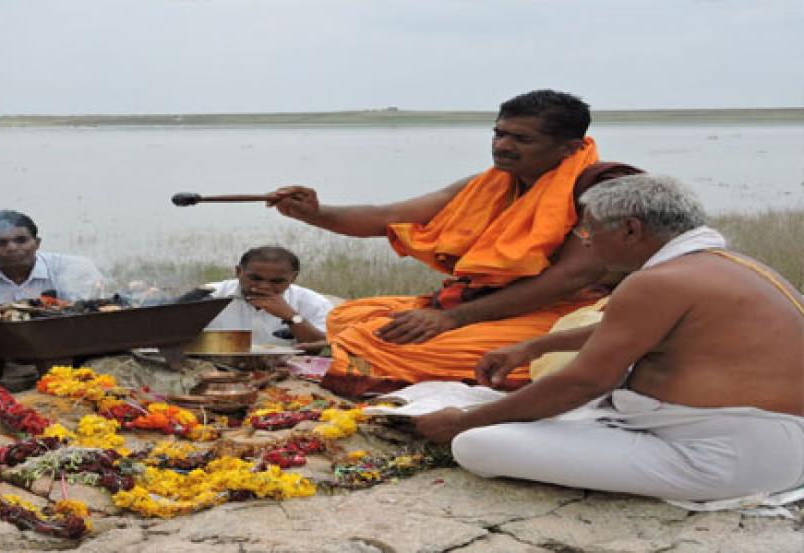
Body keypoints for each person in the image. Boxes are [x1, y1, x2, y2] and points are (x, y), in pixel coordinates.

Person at [413, 175, 804, 502]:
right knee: (544, 413)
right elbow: (634, 329)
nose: (585, 242)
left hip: (720, 456)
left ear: (632, 229)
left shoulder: (657, 282)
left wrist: (463, 422)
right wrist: (536, 346)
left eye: (589, 231)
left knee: (477, 445)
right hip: (774, 446)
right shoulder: (732, 265)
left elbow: (585, 382)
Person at [268, 89, 640, 396]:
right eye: (499, 133)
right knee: (348, 316)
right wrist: (314, 213)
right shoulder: (492, 183)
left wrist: (451, 318)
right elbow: (389, 216)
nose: (503, 146)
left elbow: (571, 278)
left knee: (379, 342)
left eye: (522, 139)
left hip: (574, 312)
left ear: (570, 148)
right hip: (493, 305)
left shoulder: (604, 188)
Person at [0, 209, 105, 315]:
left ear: (37, 243)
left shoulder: (73, 268)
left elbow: (90, 317)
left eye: (21, 240)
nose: (12, 248)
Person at [203, 246, 333, 347]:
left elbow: (323, 347)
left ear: (293, 278)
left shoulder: (314, 303)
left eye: (276, 281)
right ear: (238, 272)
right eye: (255, 278)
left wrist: (291, 317)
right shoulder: (209, 296)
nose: (264, 286)